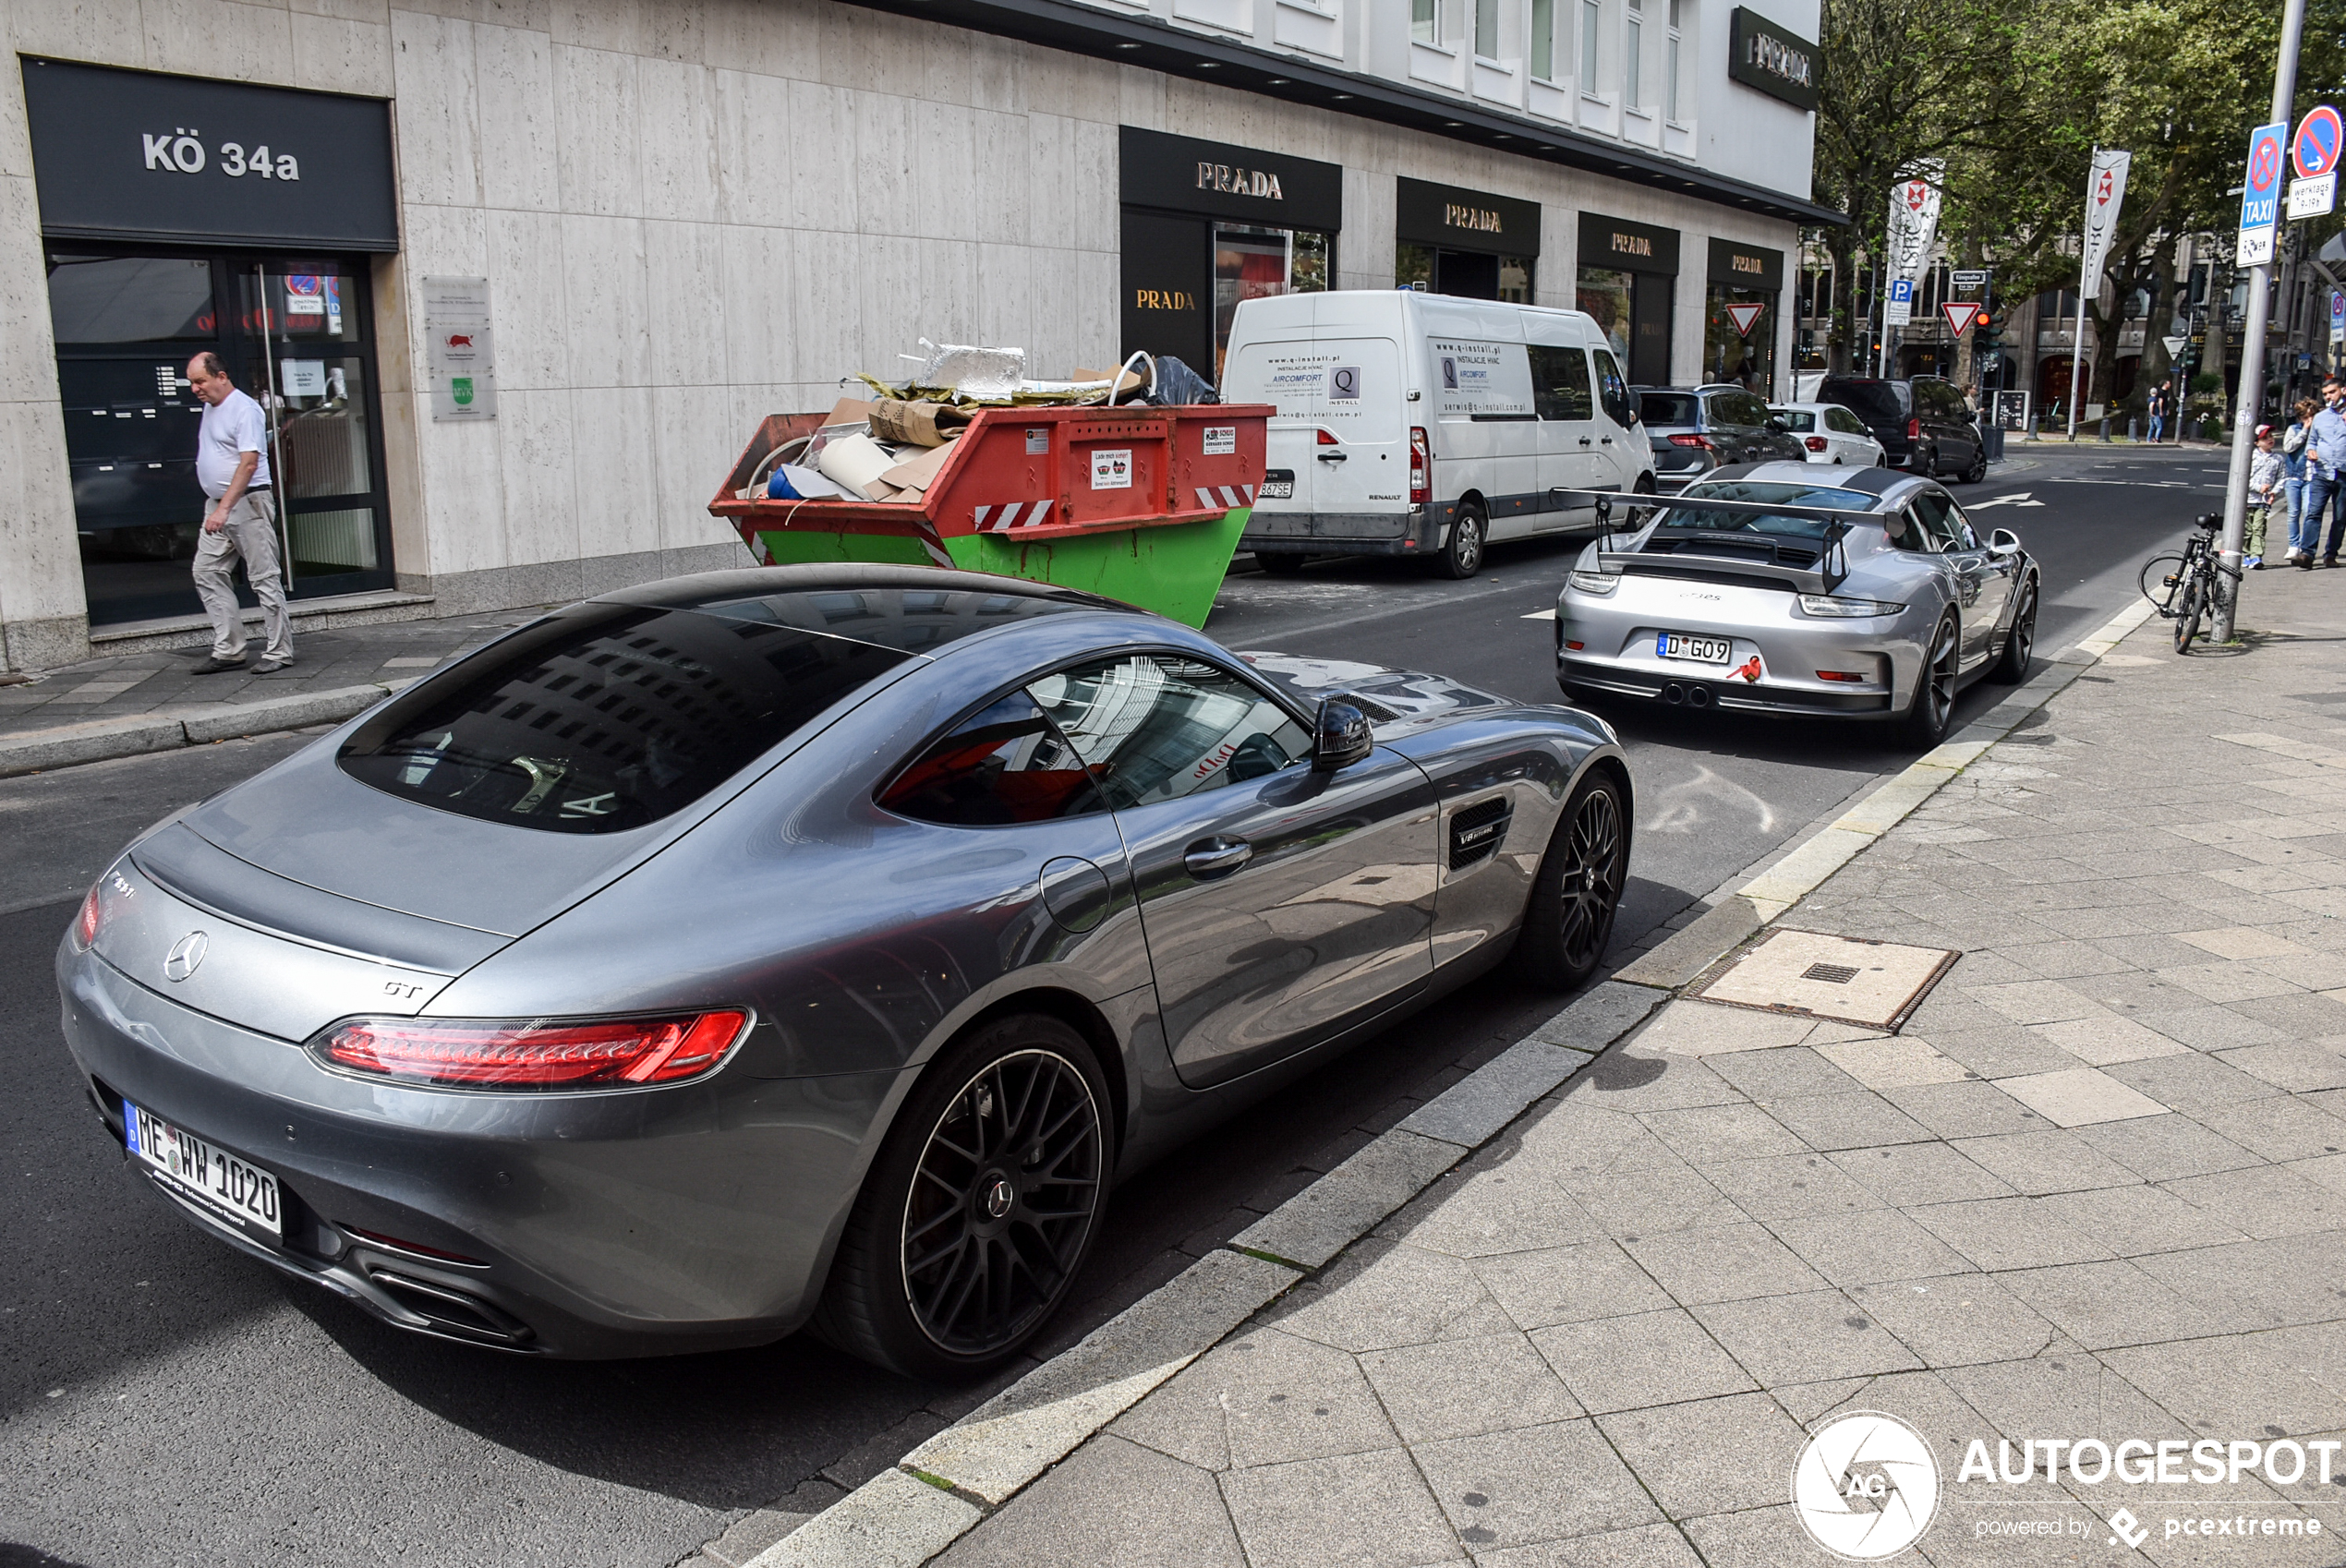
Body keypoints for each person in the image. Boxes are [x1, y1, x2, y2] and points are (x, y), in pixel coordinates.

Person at [185, 353, 292, 672]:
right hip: (219, 505)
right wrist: (217, 506)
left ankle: (279, 652)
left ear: (221, 376)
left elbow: (249, 462)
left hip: (246, 503)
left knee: (264, 579)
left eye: (200, 381)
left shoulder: (245, 409)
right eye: (191, 382)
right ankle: (230, 649)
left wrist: (224, 508)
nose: (195, 389)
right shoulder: (210, 406)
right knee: (206, 571)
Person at [2302, 378, 2346, 569]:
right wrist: (2310, 451)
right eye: (2326, 394)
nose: (2329, 397)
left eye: (2332, 392)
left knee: (2340, 517)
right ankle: (2307, 554)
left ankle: (2330, 554)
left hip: (2344, 473)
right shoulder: (2320, 417)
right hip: (2322, 472)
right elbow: (2312, 441)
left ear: (2343, 390)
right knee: (2313, 513)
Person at [2283, 398, 2316, 564]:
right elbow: (2288, 447)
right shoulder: (2293, 429)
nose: (2308, 421)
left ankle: (2305, 546)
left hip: (2312, 477)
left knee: (2308, 511)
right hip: (2294, 476)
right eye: (2305, 417)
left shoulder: (2318, 431)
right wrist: (2304, 431)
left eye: (2311, 417)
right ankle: (2293, 545)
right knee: (2293, 512)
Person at [2246, 425, 2280, 569]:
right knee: (2247, 530)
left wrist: (2274, 491)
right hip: (2247, 499)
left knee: (2259, 528)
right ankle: (2247, 554)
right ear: (2256, 442)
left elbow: (2282, 477)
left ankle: (2256, 556)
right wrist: (2257, 488)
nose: (2269, 440)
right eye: (2265, 438)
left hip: (2263, 501)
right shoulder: (2250, 457)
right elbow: (2242, 477)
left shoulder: (2277, 459)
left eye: (2271, 437)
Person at [2146, 380, 2168, 444]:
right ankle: (2156, 439)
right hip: (2155, 414)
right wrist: (2152, 413)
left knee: (2151, 427)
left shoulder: (2149, 398)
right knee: (2159, 427)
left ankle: (2148, 439)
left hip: (2151, 415)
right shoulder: (2154, 399)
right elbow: (2151, 406)